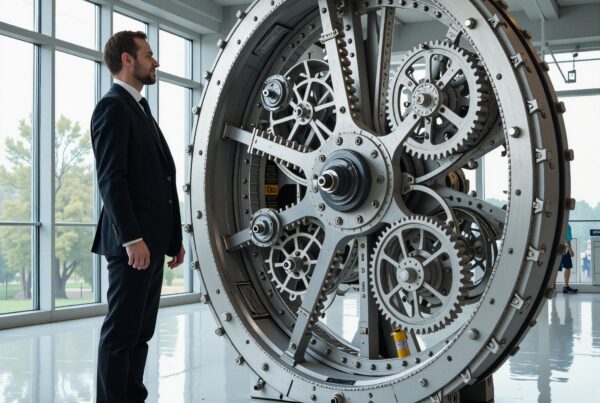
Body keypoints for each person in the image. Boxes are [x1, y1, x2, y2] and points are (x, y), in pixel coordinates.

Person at [91, 30, 185, 403]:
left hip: (152, 242)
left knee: (141, 332)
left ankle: (132, 398)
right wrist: (132, 239)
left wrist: (173, 239)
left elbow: (163, 179)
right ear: (127, 60)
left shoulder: (140, 108)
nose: (155, 61)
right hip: (133, 245)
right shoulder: (112, 107)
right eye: (148, 54)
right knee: (121, 332)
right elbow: (111, 180)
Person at [559, 223, 577, 294]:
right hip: (564, 245)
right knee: (567, 266)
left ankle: (563, 287)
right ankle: (565, 287)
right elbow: (565, 238)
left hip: (564, 244)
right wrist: (570, 249)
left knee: (565, 267)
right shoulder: (565, 225)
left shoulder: (566, 224)